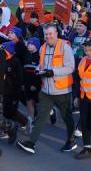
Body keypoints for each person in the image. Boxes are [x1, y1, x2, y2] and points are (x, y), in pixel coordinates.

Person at [17, 24, 77, 155]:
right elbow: (42, 64)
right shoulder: (43, 48)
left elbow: (70, 68)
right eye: (46, 34)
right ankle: (31, 144)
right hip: (46, 90)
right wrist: (39, 69)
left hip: (62, 90)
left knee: (67, 117)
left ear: (56, 34)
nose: (48, 36)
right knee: (41, 117)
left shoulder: (65, 47)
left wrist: (52, 72)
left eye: (50, 34)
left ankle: (71, 141)